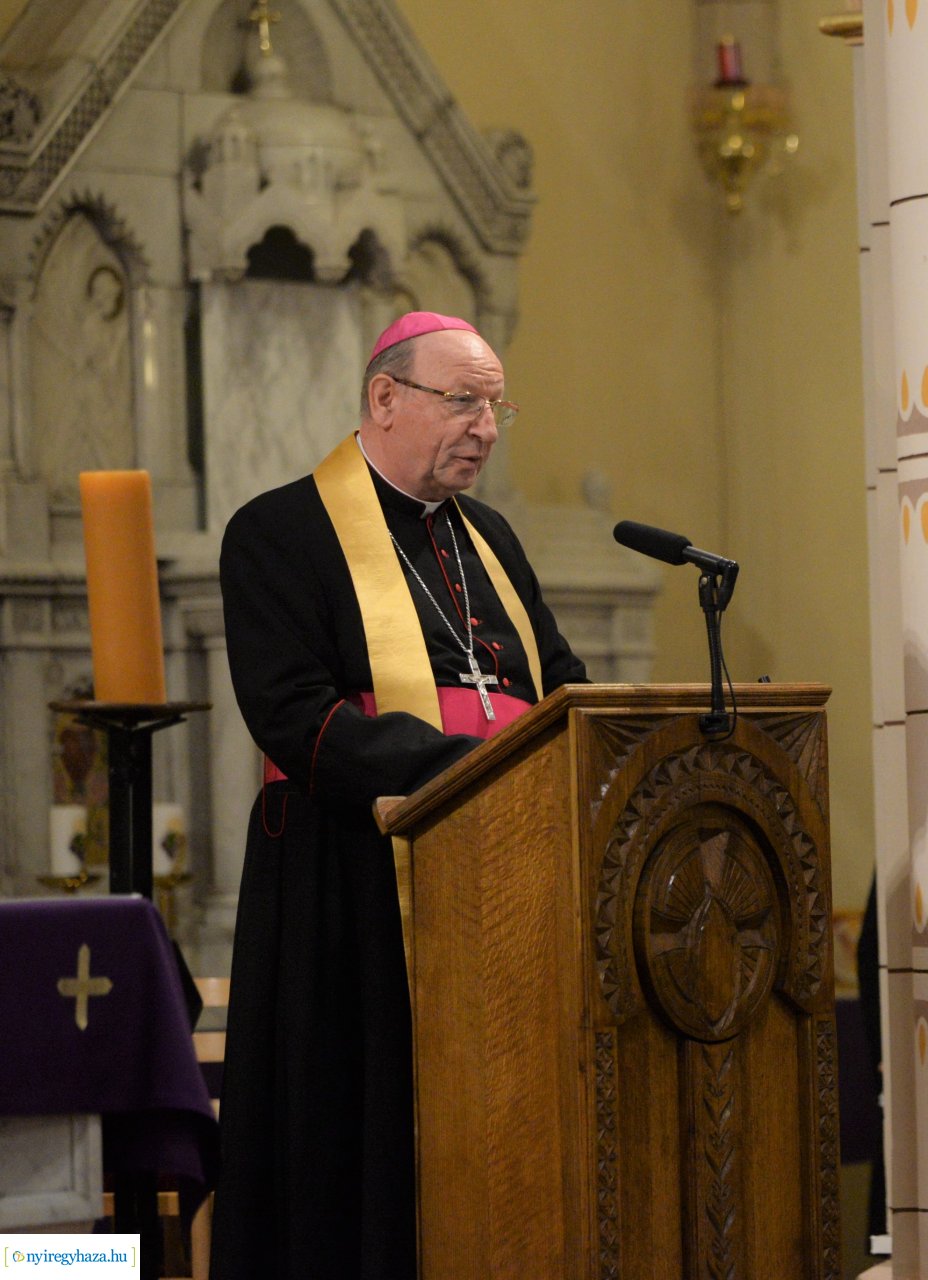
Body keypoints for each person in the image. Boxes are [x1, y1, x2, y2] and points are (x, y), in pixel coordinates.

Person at [211, 312, 587, 1279]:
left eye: (497, 406)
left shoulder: (490, 539)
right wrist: (457, 775)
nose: (488, 427)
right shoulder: (279, 530)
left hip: (508, 877)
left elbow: (564, 688)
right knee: (362, 1138)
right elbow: (293, 714)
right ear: (386, 398)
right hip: (353, 886)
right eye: (463, 401)